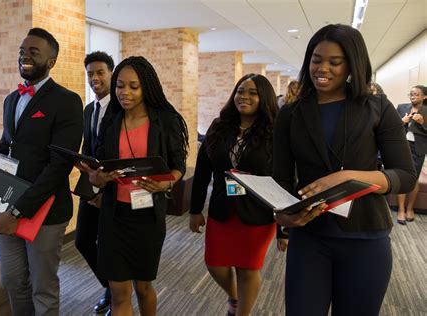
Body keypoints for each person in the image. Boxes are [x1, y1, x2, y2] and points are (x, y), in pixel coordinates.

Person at [272, 24, 416, 316]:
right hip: (310, 238)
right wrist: (282, 214)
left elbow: (404, 175)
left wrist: (350, 176)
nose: (322, 68)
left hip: (365, 237)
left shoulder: (376, 106)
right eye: (316, 59)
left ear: (353, 64)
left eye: (335, 62)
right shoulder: (291, 112)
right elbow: (282, 179)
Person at [80, 56, 188, 316]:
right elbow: (99, 169)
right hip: (114, 216)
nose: (124, 92)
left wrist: (165, 184)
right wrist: (97, 179)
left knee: (143, 288)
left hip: (147, 218)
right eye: (119, 85)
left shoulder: (164, 121)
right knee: (119, 293)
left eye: (133, 86)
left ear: (146, 88)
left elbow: (178, 166)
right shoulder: (111, 121)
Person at [0, 28, 83, 315]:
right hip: (6, 203)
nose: (25, 56)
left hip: (45, 211)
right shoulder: (11, 100)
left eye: (34, 52)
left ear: (51, 61)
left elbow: (59, 166)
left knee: (43, 287)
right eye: (22, 51)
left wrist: (16, 212)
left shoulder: (67, 101)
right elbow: (5, 147)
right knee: (13, 281)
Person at [189, 73, 288, 316]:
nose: (244, 96)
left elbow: (284, 179)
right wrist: (194, 209)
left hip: (259, 213)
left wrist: (284, 228)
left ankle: (242, 312)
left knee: (248, 268)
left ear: (263, 97)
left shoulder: (275, 132)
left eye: (252, 92)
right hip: (222, 209)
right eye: (240, 91)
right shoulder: (219, 126)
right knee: (214, 264)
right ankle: (234, 298)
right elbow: (202, 171)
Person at [75, 51, 114, 314]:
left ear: (112, 73)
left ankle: (115, 293)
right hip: (90, 185)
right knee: (82, 241)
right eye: (90, 73)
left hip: (113, 188)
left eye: (100, 72)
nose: (95, 78)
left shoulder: (122, 108)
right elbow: (89, 147)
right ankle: (111, 287)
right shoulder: (89, 109)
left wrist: (106, 187)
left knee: (110, 245)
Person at [396, 85, 427, 224]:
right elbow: (391, 126)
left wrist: (422, 123)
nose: (413, 96)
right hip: (402, 146)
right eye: (411, 94)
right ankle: (401, 209)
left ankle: (410, 208)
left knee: (413, 178)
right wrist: (401, 122)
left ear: (424, 97)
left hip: (418, 149)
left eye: (416, 94)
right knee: (402, 176)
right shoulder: (402, 107)